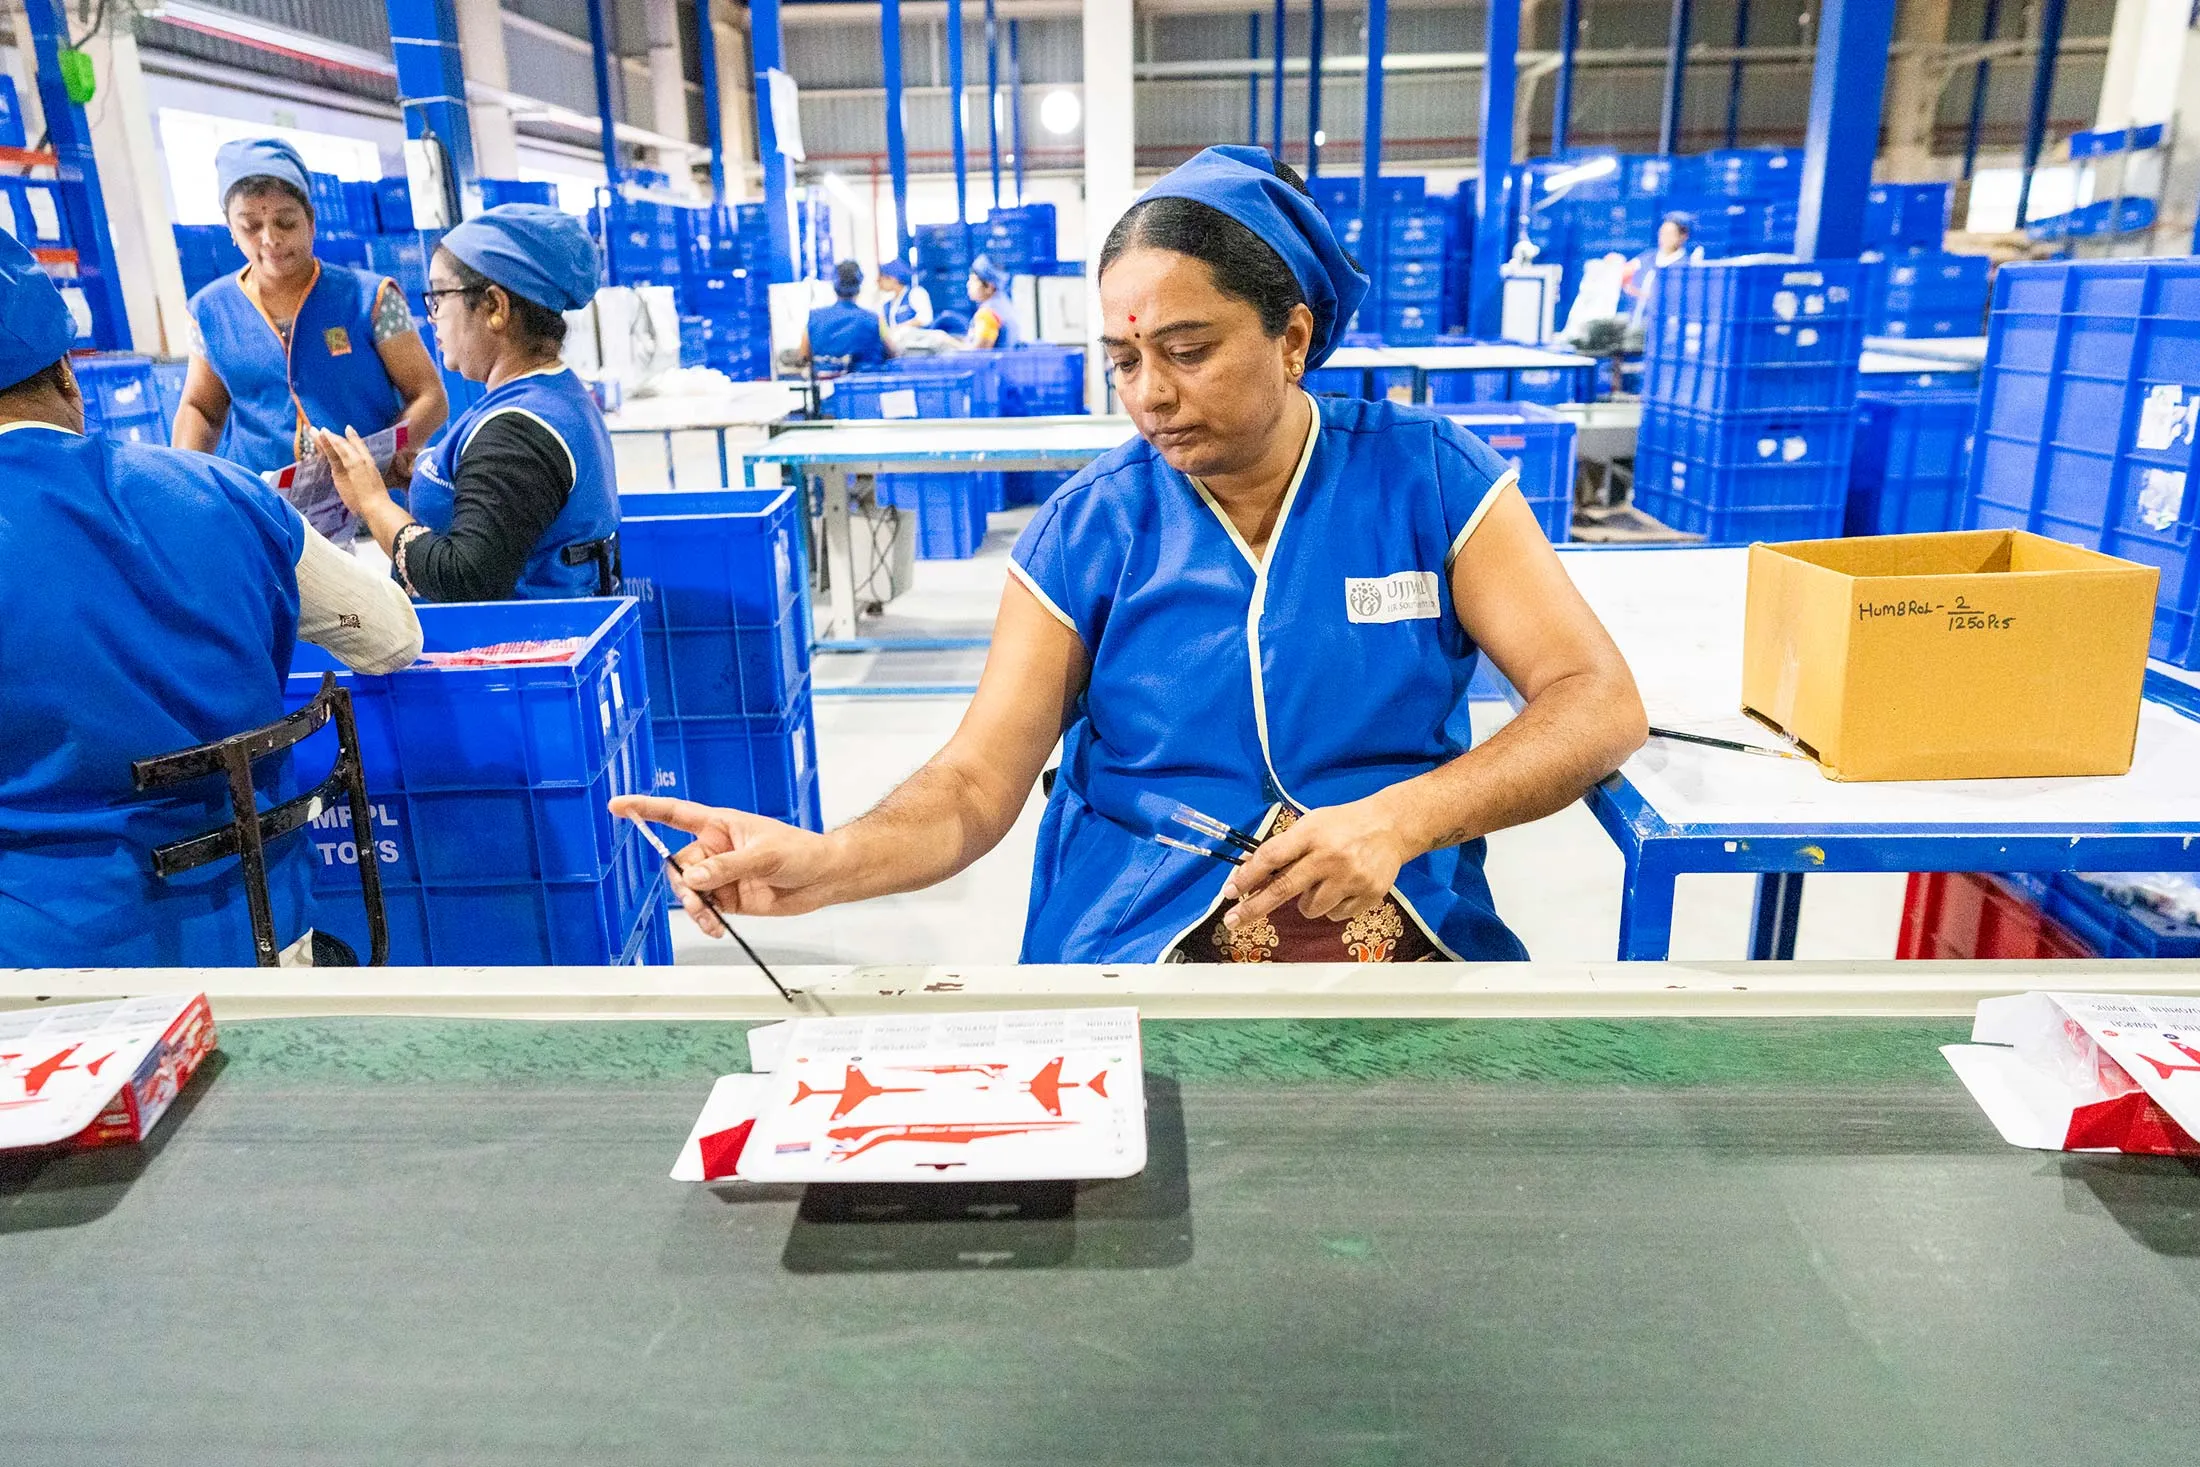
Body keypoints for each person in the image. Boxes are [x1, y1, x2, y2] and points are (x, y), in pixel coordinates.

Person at [614, 145, 1646, 965]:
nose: (1150, 392)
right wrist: (828, 863)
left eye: (1188, 352)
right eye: (1123, 359)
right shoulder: (1091, 530)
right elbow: (979, 783)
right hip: (1143, 936)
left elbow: (1594, 700)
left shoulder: (1426, 479)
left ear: (1292, 339)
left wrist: (1398, 820)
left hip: (1396, 917)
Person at [0, 229, 423, 968]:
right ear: (68, 374)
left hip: (45, 979)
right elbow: (392, 636)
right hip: (265, 934)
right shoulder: (221, 491)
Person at [320, 204, 620, 602]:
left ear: (495, 307)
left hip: (519, 654)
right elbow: (513, 504)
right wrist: (432, 477)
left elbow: (465, 578)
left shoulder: (518, 431)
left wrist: (372, 502)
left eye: (440, 296)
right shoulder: (552, 394)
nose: (432, 317)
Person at [172, 138, 446, 529]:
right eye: (250, 225)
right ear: (230, 230)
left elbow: (429, 396)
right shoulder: (209, 312)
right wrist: (185, 480)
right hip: (265, 516)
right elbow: (202, 407)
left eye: (285, 222)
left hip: (368, 512)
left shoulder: (369, 299)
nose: (270, 239)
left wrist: (387, 455)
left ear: (311, 221)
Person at [797, 259, 893, 377]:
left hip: (827, 390)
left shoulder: (814, 318)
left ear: (834, 286)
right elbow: (893, 352)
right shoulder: (875, 320)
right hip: (866, 389)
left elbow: (804, 354)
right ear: (859, 286)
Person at [1623, 211, 1702, 327]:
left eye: (1670, 234)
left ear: (1683, 236)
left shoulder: (1686, 266)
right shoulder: (1646, 258)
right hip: (1636, 324)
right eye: (1662, 233)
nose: (1664, 238)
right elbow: (1625, 273)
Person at [961, 254, 1018, 349]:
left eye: (973, 280)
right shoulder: (1002, 304)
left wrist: (945, 342)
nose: (968, 284)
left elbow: (978, 353)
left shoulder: (988, 314)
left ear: (989, 287)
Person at [875, 259, 933, 337]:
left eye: (880, 279)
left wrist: (900, 328)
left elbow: (925, 318)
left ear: (892, 279)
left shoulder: (915, 293)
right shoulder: (887, 304)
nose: (878, 282)